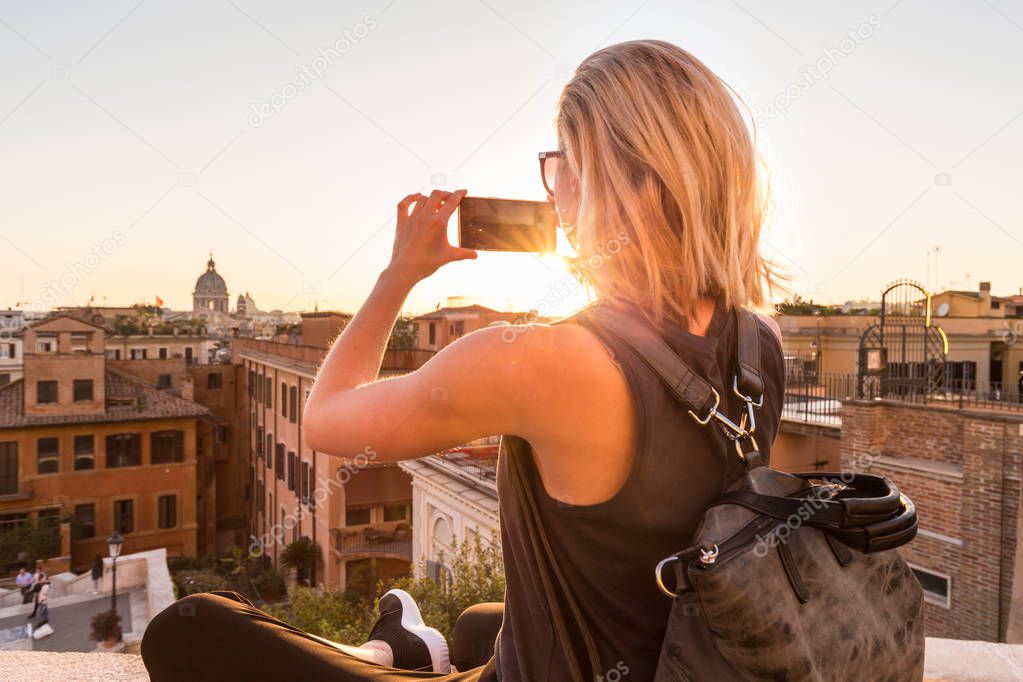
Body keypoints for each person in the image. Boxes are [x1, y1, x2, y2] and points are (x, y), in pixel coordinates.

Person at [141, 39, 784, 681]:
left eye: (560, 167)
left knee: (189, 629)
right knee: (480, 620)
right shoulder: (760, 346)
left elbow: (326, 420)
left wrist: (398, 275)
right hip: (685, 662)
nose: (554, 191)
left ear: (608, 179)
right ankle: (409, 650)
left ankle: (396, 654)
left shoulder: (537, 362)